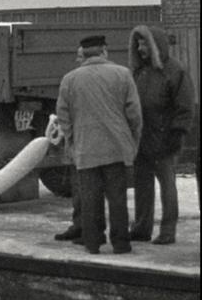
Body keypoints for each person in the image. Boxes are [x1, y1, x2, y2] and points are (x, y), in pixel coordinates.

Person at [56, 35, 142, 254]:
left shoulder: (70, 79)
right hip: (116, 148)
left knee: (90, 199)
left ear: (83, 54)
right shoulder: (123, 74)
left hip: (86, 149)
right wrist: (132, 140)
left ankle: (93, 242)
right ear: (104, 51)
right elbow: (134, 113)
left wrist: (72, 139)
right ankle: (121, 243)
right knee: (117, 199)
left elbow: (63, 115)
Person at [128, 25, 195, 245]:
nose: (140, 47)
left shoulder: (175, 71)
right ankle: (141, 227)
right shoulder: (138, 72)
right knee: (142, 185)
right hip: (141, 139)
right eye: (138, 43)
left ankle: (168, 231)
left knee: (167, 185)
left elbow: (184, 106)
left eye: (144, 42)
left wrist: (177, 133)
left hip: (165, 138)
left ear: (155, 44)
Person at [53, 47, 85, 242]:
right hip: (102, 143)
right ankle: (84, 226)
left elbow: (63, 111)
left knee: (85, 187)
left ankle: (86, 229)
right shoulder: (119, 74)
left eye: (80, 56)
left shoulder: (72, 80)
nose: (77, 60)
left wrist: (70, 137)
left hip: (83, 141)